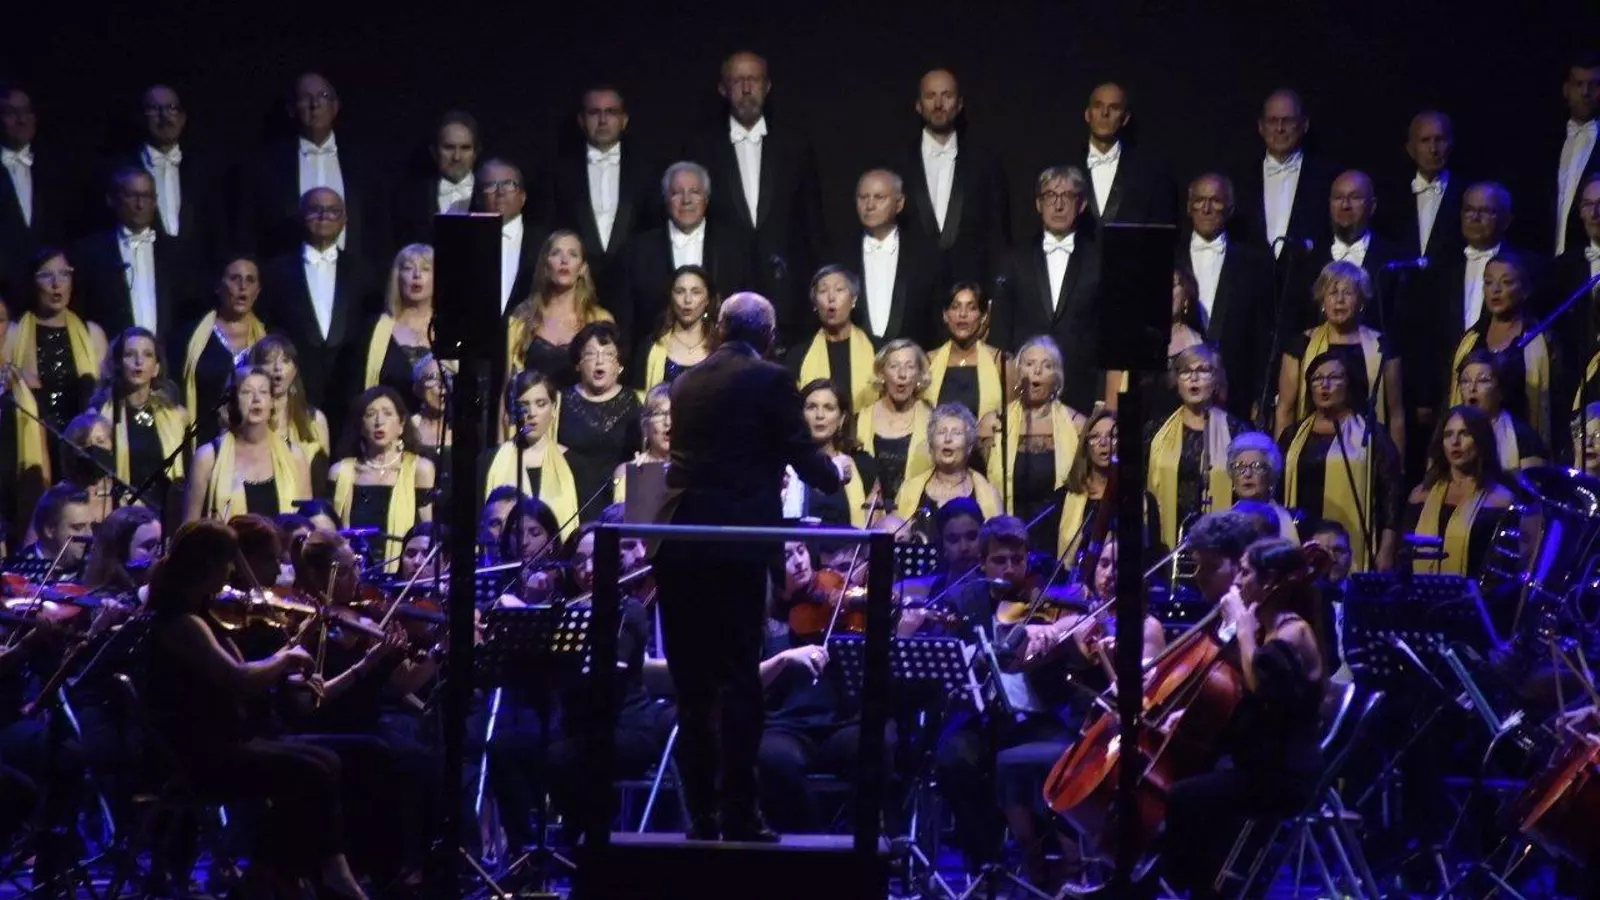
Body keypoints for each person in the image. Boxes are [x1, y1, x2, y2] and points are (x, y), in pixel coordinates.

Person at [651, 291, 844, 841]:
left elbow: (723, 455)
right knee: (739, 683)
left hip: (680, 544)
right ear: (768, 336)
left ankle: (701, 815)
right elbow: (802, 455)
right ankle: (740, 812)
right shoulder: (770, 379)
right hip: (734, 548)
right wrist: (835, 475)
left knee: (694, 688)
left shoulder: (685, 382)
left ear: (719, 329)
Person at [139, 520, 368, 898]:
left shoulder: (199, 617)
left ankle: (277, 871)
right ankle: (307, 872)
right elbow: (239, 678)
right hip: (198, 756)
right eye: (228, 562)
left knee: (326, 762)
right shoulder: (182, 624)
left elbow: (243, 674)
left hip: (217, 744)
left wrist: (287, 650)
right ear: (209, 565)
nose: (233, 571)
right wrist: (285, 659)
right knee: (312, 771)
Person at [1160, 537, 1327, 899]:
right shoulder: (1266, 626)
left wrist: (1243, 629)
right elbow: (1237, 695)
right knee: (1186, 782)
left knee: (1184, 797)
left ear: (1270, 582)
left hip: (1283, 776)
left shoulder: (1293, 631)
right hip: (1256, 765)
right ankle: (1201, 886)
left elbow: (1260, 688)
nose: (1236, 581)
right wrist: (1189, 717)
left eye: (1246, 573)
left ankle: (1176, 884)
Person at [1279, 352, 1404, 572]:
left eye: (1334, 377)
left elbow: (1391, 495)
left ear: (1349, 383)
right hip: (1300, 539)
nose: (1324, 385)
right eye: (1317, 379)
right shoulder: (1293, 435)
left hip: (1354, 544)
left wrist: (1386, 548)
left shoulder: (1371, 435)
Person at [1275, 261, 1405, 456]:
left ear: (1361, 301)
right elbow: (1285, 409)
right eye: (1333, 293)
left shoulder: (1382, 345)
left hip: (1367, 451)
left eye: (1348, 293)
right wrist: (1279, 462)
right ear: (1322, 301)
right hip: (1310, 451)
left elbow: (1396, 414)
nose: (1339, 300)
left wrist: (1397, 465)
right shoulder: (1301, 345)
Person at [983, 335, 1083, 548]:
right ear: (1018, 373)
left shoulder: (1077, 426)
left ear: (1057, 378)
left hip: (1057, 533)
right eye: (1029, 364)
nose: (1036, 371)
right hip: (1007, 532)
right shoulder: (994, 422)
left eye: (1046, 366)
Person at [1147, 343, 1246, 555]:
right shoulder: (1156, 430)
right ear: (1177, 381)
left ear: (1216, 380)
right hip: (1167, 543)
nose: (1193, 378)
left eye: (1203, 370)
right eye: (1185, 371)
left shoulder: (1237, 431)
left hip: (1220, 542)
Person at [325, 386, 435, 570]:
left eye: (387, 414)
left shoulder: (420, 469)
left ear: (401, 424)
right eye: (370, 414)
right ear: (360, 425)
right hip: (352, 572)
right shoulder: (340, 472)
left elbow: (427, 533)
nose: (379, 421)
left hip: (400, 573)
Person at [186, 364, 312, 520]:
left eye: (263, 392)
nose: (256, 399)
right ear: (232, 402)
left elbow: (308, 524)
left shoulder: (295, 456)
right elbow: (189, 528)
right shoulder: (207, 458)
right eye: (247, 392)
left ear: (272, 402)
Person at [1404, 405, 1517, 578]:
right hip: (1422, 592)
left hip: (1475, 593)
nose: (1455, 442)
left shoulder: (1501, 500)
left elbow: (1505, 569)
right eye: (1448, 435)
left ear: (1481, 440)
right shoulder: (1420, 495)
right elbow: (1404, 559)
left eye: (1465, 434)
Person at [506, 229, 614, 396]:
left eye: (573, 254)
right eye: (556, 253)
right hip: (532, 411)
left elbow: (609, 387)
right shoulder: (520, 320)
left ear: (583, 268)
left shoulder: (599, 320)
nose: (564, 260)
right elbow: (507, 388)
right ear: (545, 265)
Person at [839, 168, 938, 346]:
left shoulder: (924, 255)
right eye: (863, 197)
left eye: (879, 197)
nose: (869, 205)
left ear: (899, 204)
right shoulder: (841, 256)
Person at [89, 326, 189, 501]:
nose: (138, 361)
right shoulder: (100, 417)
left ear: (156, 368)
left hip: (166, 510)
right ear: (118, 363)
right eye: (130, 354)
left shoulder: (177, 416)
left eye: (147, 355)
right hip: (120, 511)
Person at [177, 256, 267, 447]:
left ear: (258, 291)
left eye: (250, 280)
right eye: (235, 278)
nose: (242, 286)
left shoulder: (268, 341)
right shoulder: (189, 338)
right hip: (203, 444)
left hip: (253, 447)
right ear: (218, 287)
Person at [556, 321, 641, 522]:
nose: (599, 361)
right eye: (591, 354)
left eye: (608, 354)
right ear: (578, 363)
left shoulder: (638, 401)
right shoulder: (558, 402)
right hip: (571, 503)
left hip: (622, 505)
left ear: (620, 365)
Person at [481, 369, 579, 539]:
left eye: (541, 404)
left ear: (553, 408)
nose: (532, 413)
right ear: (512, 411)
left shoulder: (575, 464)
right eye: (523, 405)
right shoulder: (487, 462)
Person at [785, 264, 879, 413]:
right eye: (823, 291)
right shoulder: (798, 356)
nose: (831, 298)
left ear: (853, 299)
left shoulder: (878, 349)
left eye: (839, 290)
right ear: (815, 304)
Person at [856, 339, 934, 504]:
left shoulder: (933, 421)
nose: (902, 374)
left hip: (916, 511)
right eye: (894, 366)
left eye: (910, 367)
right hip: (867, 511)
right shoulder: (859, 420)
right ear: (881, 373)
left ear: (919, 375)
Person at [352, 243, 434, 398]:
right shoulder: (374, 328)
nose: (417, 274)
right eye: (408, 268)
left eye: (425, 269)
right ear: (398, 277)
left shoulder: (451, 329)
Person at [797, 378, 880, 527]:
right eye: (811, 407)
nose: (820, 415)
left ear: (841, 418)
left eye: (829, 408)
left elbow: (873, 529)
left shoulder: (863, 466)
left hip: (850, 542)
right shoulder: (785, 466)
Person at [898, 403, 1002, 521]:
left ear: (969, 446)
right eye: (941, 432)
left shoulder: (989, 495)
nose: (948, 439)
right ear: (931, 445)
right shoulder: (908, 490)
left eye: (956, 433)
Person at [926, 282, 1007, 422]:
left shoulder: (1001, 362)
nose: (962, 314)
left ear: (983, 316)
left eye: (972, 308)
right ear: (945, 315)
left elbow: (1013, 418)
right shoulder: (928, 361)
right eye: (955, 307)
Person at [1455, 348, 1547, 469]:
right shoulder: (1448, 428)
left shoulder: (1523, 437)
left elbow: (1531, 480)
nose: (1472, 388)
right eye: (1465, 381)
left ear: (1500, 391)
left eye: (1483, 381)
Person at [633, 265, 718, 390]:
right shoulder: (650, 346)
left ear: (707, 300)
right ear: (671, 297)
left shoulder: (721, 347)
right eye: (680, 292)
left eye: (696, 292)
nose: (687, 300)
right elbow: (638, 396)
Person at [1225, 431, 1298, 541]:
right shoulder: (1223, 522)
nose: (1247, 474)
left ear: (1271, 475)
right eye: (1240, 466)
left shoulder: (1290, 520)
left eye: (1257, 466)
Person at [614, 384, 671, 505]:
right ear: (645, 425)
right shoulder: (626, 471)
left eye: (675, 413)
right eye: (660, 414)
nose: (668, 422)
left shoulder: (695, 470)